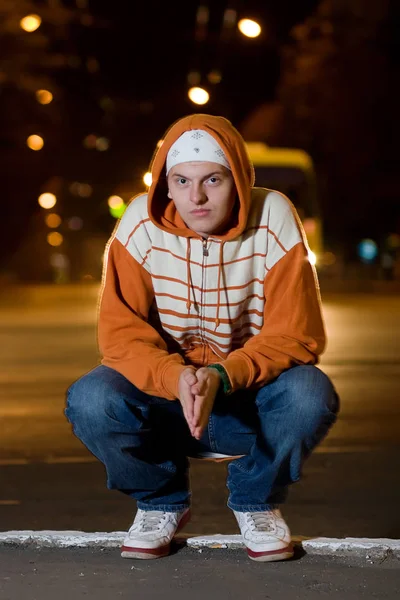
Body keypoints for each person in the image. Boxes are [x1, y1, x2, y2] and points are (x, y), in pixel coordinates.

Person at [65, 114, 339, 562]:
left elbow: (296, 334)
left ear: (238, 178)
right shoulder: (138, 223)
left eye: (212, 179)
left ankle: (256, 499)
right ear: (165, 185)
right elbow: (121, 336)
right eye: (181, 180)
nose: (196, 196)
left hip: (246, 403)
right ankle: (160, 501)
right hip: (167, 405)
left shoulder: (274, 214)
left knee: (311, 392)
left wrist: (221, 376)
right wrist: (175, 378)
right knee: (91, 399)